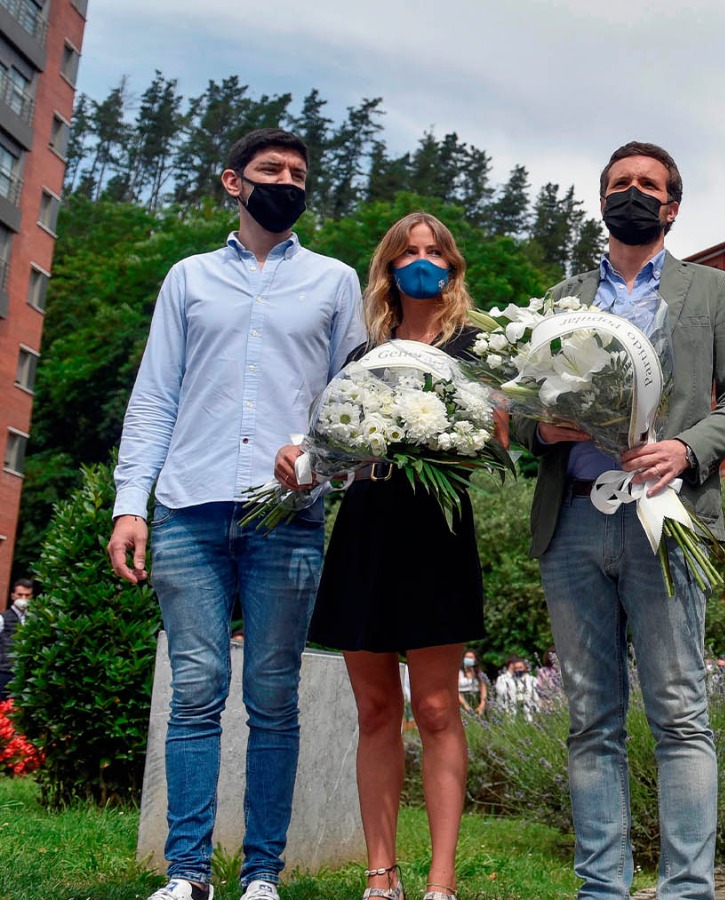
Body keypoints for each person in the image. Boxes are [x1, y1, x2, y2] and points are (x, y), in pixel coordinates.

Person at [107, 128, 363, 900]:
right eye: (269, 171)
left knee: (274, 697)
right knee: (196, 690)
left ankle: (261, 875)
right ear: (232, 182)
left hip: (286, 513)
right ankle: (187, 874)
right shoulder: (188, 278)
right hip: (187, 508)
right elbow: (154, 397)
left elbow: (351, 405)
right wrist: (131, 505)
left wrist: (314, 463)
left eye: (297, 173)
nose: (286, 181)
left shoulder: (334, 281)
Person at [522, 140, 725, 899]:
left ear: (672, 206)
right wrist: (542, 428)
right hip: (574, 523)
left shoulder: (712, 290)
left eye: (647, 185)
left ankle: (687, 890)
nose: (632, 193)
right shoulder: (562, 298)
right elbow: (524, 407)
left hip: (668, 515)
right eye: (618, 183)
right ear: (602, 202)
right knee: (591, 719)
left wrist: (686, 450)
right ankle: (603, 888)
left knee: (680, 713)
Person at [283, 212, 495, 900]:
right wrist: (301, 459)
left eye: (435, 251)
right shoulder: (361, 357)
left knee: (435, 707)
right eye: (410, 252)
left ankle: (441, 879)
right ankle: (381, 876)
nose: (423, 262)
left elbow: (498, 435)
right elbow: (328, 446)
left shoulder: (478, 347)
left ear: (453, 265)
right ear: (389, 267)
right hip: (366, 527)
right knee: (375, 711)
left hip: (437, 527)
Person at [0, 577, 32, 700]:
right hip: (4, 671)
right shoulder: (3, 618)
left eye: (27, 595)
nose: (23, 598)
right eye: (20, 594)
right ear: (13, 596)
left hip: (23, 673)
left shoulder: (33, 619)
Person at [495, 657, 537, 721]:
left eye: (520, 667)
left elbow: (536, 697)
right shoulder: (508, 680)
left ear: (526, 668)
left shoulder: (532, 680)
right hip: (512, 713)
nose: (518, 670)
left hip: (530, 713)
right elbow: (503, 693)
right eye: (515, 668)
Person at [456, 650, 488, 717]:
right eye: (466, 657)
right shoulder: (458, 673)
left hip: (477, 700)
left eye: (471, 657)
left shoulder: (479, 673)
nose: (468, 659)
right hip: (462, 700)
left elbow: (483, 689)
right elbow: (455, 690)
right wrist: (465, 704)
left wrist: (482, 704)